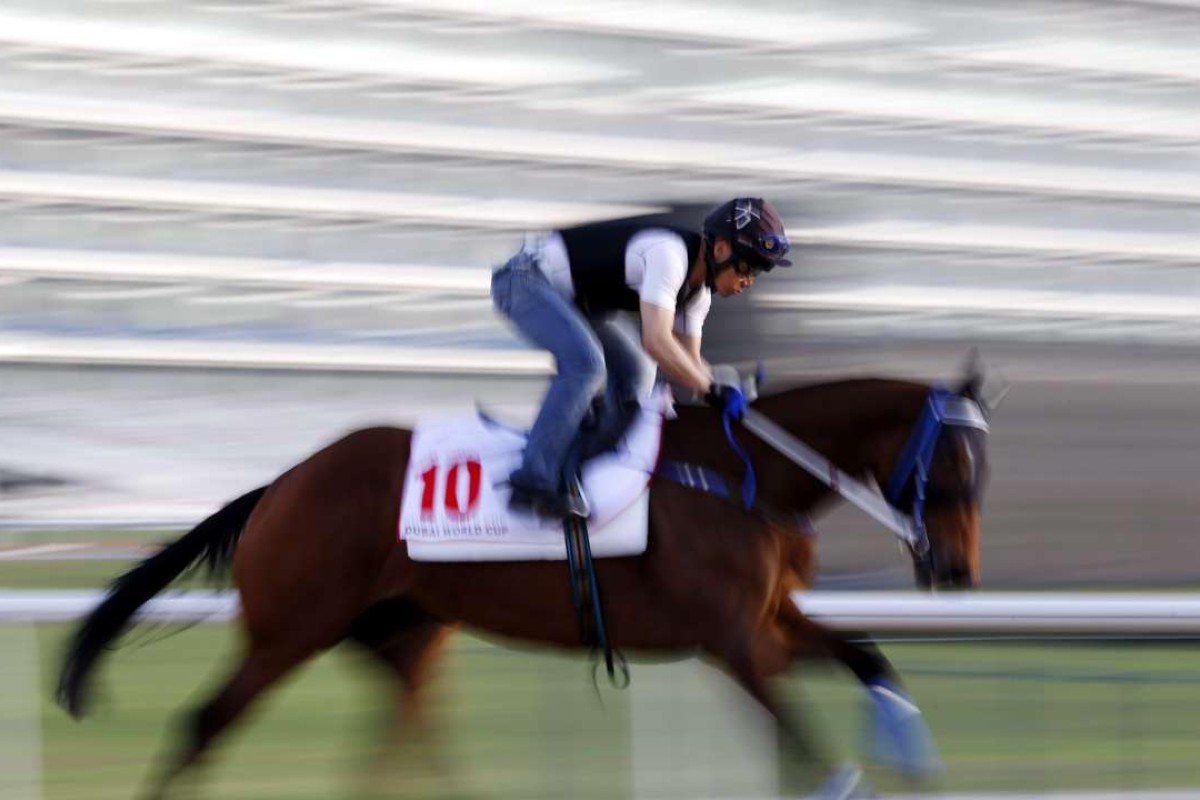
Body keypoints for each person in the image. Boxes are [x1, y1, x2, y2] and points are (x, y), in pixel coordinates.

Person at [491, 197, 792, 518]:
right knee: (586, 366)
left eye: (759, 271)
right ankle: (532, 483)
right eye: (748, 266)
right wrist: (709, 388)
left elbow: (688, 364)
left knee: (637, 375)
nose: (749, 281)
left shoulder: (697, 297)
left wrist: (725, 386)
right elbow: (657, 341)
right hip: (523, 280)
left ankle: (571, 466)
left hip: (577, 302)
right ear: (720, 249)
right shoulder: (668, 255)